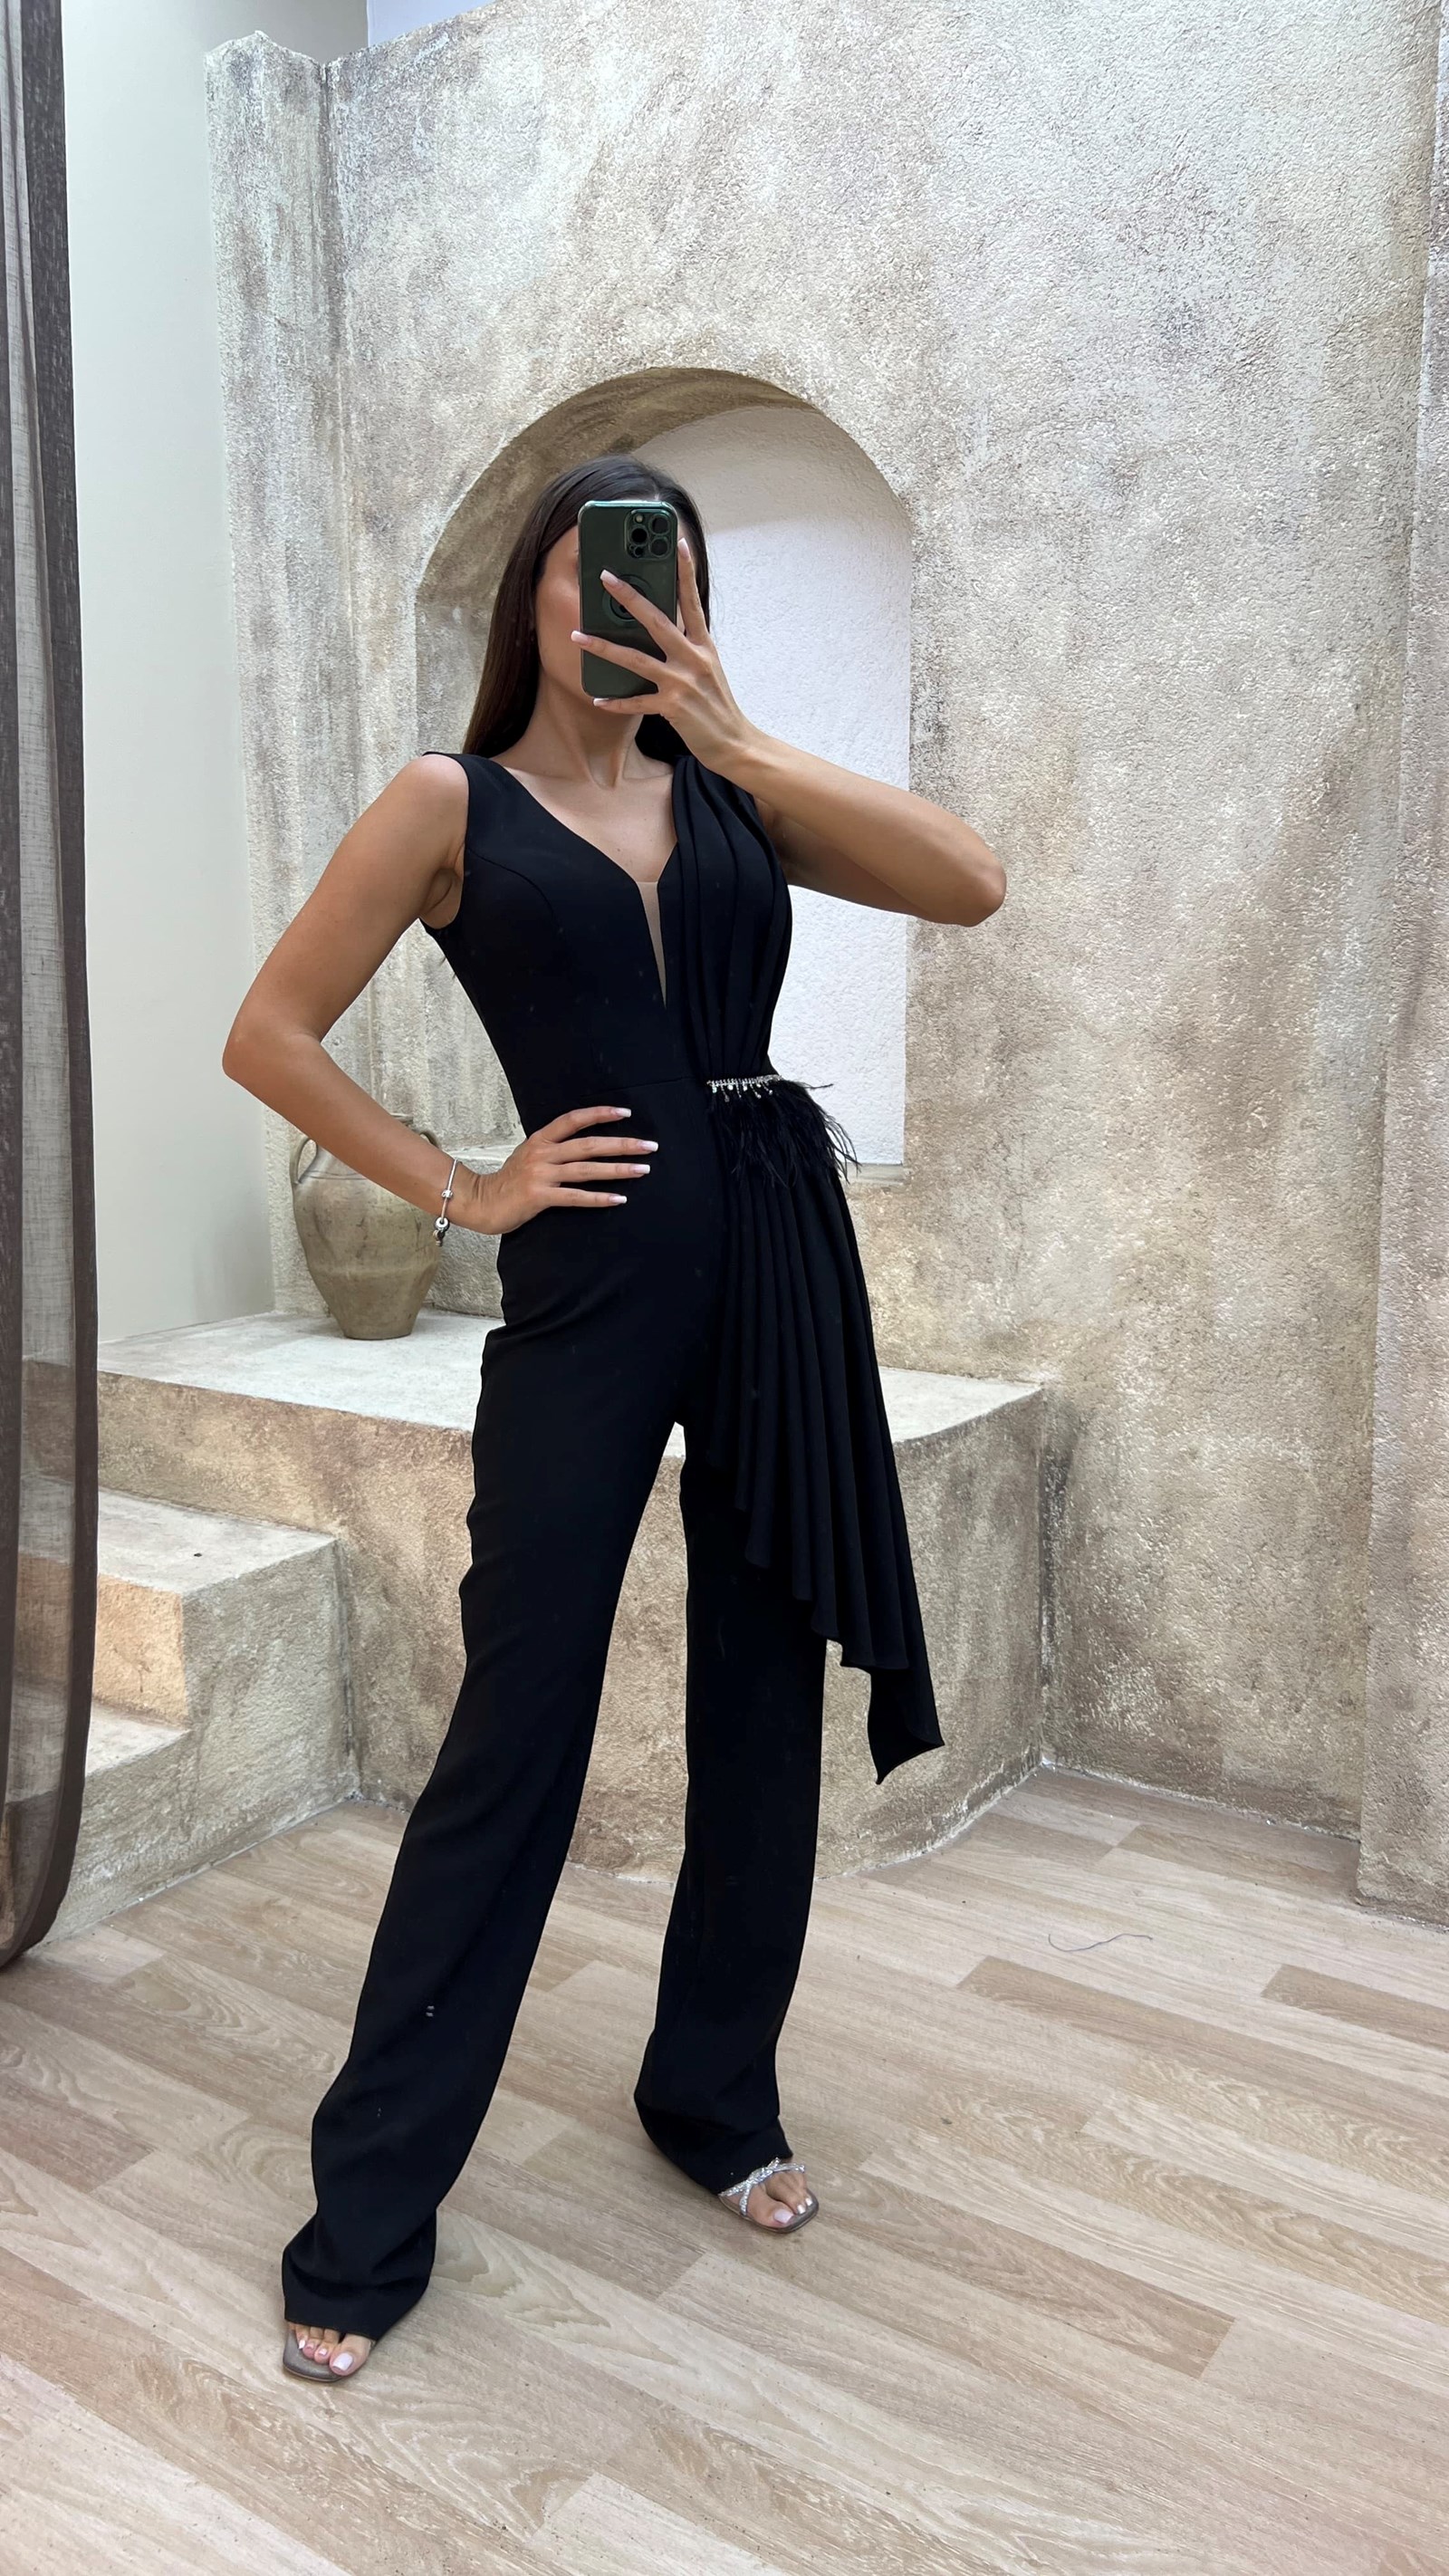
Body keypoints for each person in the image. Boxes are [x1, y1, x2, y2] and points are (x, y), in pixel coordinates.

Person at [222, 454, 1005, 2383]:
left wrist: (736, 736)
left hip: (780, 1261)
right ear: (534, 596)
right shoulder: (448, 803)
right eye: (596, 571)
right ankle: (368, 2211)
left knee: (760, 1689)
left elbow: (969, 881)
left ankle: (711, 2098)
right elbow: (268, 1032)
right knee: (519, 1722)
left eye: (667, 577)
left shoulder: (730, 789)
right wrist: (463, 1184)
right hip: (587, 1290)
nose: (630, 605)